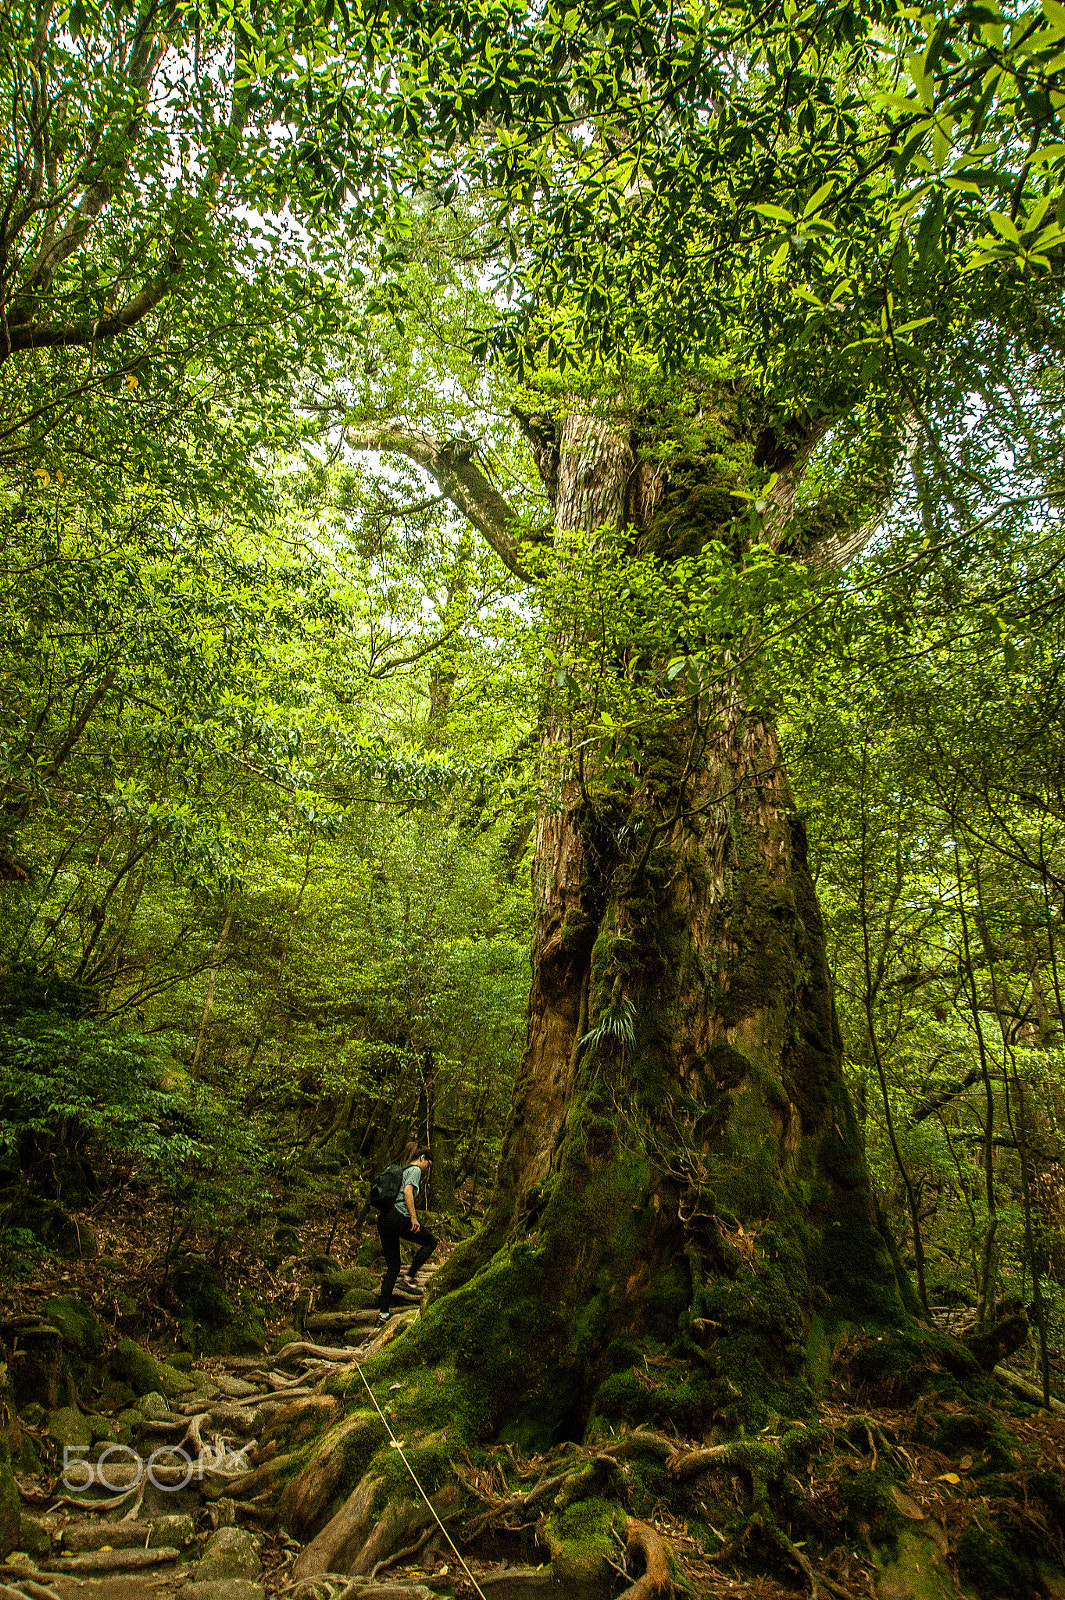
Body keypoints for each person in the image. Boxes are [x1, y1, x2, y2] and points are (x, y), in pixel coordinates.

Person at [376, 1146, 437, 1324]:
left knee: (393, 1267)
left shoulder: (401, 1169)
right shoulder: (415, 1170)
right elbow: (407, 1192)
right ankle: (409, 1278)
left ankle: (383, 1314)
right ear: (423, 1158)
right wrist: (413, 1218)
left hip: (385, 1219)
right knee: (431, 1242)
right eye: (428, 1163)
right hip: (399, 1216)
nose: (427, 1168)